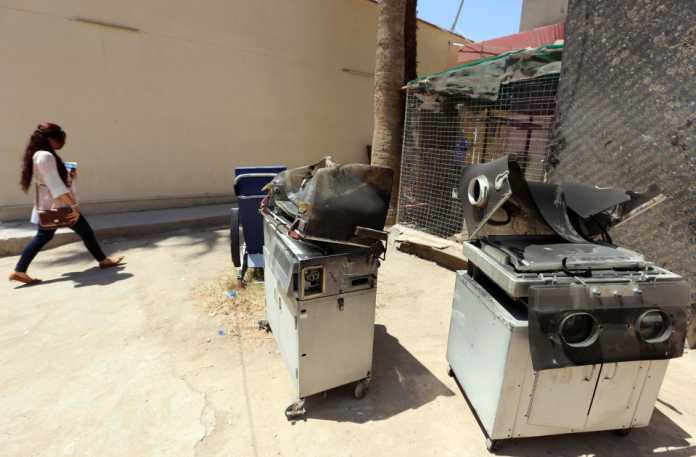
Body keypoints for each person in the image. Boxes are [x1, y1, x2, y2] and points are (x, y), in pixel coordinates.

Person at [8, 123, 124, 285]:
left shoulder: (40, 154)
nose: (62, 143)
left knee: (46, 236)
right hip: (59, 205)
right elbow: (55, 186)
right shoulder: (45, 156)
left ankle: (19, 271)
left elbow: (51, 180)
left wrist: (69, 175)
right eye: (60, 140)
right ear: (50, 139)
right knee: (85, 232)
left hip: (51, 204)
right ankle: (103, 260)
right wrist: (74, 206)